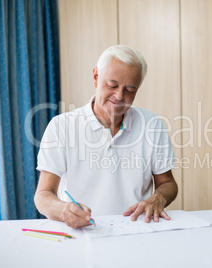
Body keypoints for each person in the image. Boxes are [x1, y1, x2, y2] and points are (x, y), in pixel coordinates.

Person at [34, 45, 178, 229]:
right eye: (112, 85)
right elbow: (43, 195)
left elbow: (167, 183)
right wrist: (63, 209)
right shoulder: (61, 126)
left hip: (138, 229)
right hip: (82, 231)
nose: (119, 96)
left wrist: (159, 197)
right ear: (95, 77)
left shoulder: (151, 124)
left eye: (130, 89)